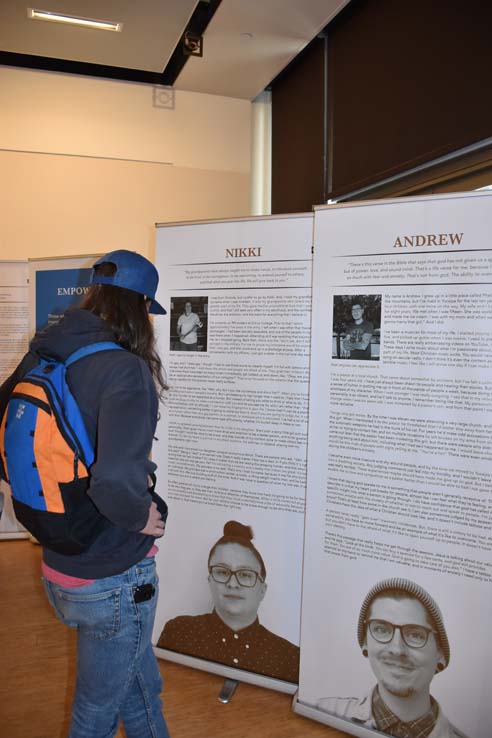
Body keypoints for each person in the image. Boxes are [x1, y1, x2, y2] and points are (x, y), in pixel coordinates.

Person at [1, 250, 170, 738]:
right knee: (94, 715)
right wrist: (140, 517)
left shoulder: (44, 353)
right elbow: (116, 481)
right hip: (113, 578)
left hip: (59, 562)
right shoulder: (124, 370)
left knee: (141, 692)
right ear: (139, 306)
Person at [318, 578, 469, 738]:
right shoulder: (321, 712)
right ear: (365, 643)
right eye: (381, 630)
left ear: (440, 654)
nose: (397, 649)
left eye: (415, 635)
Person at [157, 520, 300, 683]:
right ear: (209, 580)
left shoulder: (289, 658)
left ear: (262, 590)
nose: (232, 584)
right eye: (222, 572)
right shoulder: (178, 633)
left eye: (245, 574)